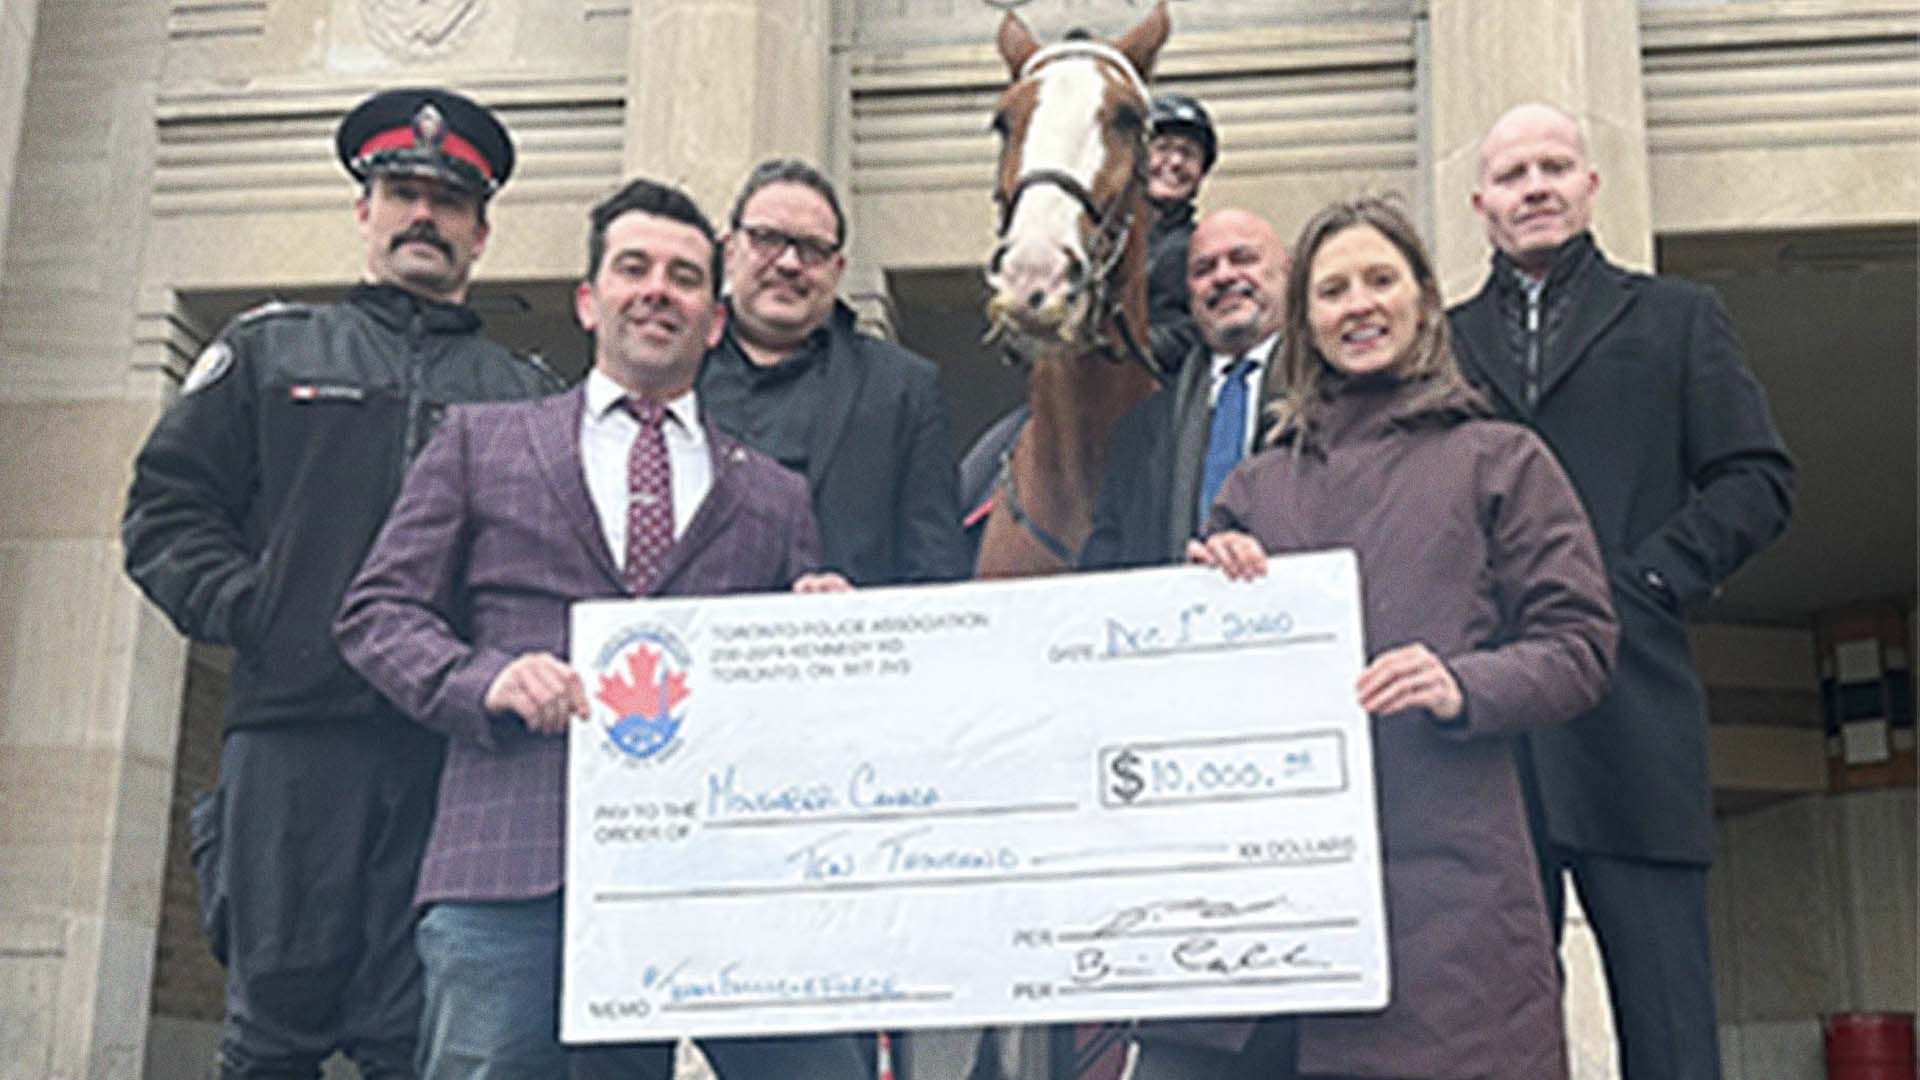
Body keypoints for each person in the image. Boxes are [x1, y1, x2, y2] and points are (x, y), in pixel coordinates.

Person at [333, 178, 867, 1078]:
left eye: (686, 277)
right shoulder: (480, 442)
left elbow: (796, 709)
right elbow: (377, 614)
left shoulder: (775, 495)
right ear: (589, 300)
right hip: (511, 861)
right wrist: (484, 681)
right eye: (634, 268)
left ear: (715, 317)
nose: (659, 289)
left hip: (718, 871)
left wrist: (822, 630)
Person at [120, 87, 561, 1077]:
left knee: (412, 1039)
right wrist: (257, 609)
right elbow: (165, 512)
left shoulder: (523, 396)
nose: (423, 217)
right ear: (364, 211)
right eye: (402, 193)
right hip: (292, 744)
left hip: (447, 757)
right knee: (272, 1033)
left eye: (448, 204)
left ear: (482, 234)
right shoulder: (271, 352)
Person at [1159, 195, 1618, 1080]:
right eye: (1332, 289)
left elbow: (1581, 643)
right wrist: (1209, 604)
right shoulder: (1254, 490)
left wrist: (1464, 685)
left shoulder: (1500, 459)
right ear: (1306, 319)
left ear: (1423, 302)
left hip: (1447, 896)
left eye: (1381, 279)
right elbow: (1200, 696)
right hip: (1269, 912)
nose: (1358, 304)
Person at [1449, 103, 1795, 1079]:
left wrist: (1644, 581)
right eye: (1512, 175)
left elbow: (1757, 480)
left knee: (1671, 1028)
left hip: (1631, 712)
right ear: (1481, 204)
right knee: (1495, 1038)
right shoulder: (1439, 345)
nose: (1536, 187)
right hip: (1487, 735)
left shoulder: (1677, 318)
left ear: (1591, 184)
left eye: (1555, 166)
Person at [697, 157, 967, 586]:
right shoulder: (668, 375)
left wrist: (856, 614)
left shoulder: (904, 390)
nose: (788, 263)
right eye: (767, 239)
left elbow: (936, 572)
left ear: (838, 270)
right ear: (729, 251)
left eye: (813, 249)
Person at [1081, 208, 1288, 571]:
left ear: (1287, 272)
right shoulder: (1138, 434)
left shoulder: (1334, 401)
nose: (1223, 276)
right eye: (1203, 269)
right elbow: (1103, 570)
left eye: (1243, 258)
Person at [1143, 92, 1220, 373]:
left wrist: (1130, 346)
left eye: (1188, 154)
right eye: (1163, 148)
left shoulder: (1204, 250)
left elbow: (1204, 328)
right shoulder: (1099, 242)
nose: (1174, 162)